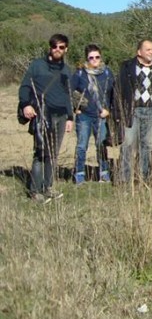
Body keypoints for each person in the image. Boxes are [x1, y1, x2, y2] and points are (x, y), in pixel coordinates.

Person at [18, 33, 75, 201]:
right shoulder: (37, 65)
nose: (57, 49)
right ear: (50, 47)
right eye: (54, 46)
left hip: (61, 116)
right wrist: (25, 104)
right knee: (40, 153)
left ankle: (48, 187)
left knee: (53, 153)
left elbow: (68, 95)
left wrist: (70, 117)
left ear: (66, 49)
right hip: (43, 114)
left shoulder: (66, 70)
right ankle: (35, 191)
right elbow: (25, 87)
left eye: (61, 47)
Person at [116, 39, 152, 183]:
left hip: (151, 112)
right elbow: (119, 90)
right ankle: (124, 179)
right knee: (128, 144)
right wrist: (119, 112)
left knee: (147, 146)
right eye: (148, 49)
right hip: (132, 111)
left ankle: (143, 178)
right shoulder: (128, 67)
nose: (151, 52)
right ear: (139, 52)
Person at [70, 44, 115, 185]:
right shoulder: (80, 73)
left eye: (97, 57)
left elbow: (113, 93)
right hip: (84, 115)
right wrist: (74, 108)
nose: (94, 60)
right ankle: (79, 174)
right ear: (87, 58)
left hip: (101, 115)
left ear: (101, 57)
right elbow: (70, 91)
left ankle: (104, 173)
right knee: (82, 145)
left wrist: (108, 109)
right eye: (91, 57)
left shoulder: (107, 73)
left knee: (101, 145)